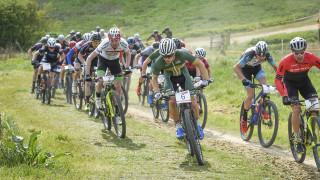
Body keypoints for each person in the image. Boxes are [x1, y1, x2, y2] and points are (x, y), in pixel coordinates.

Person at [152, 38, 208, 139]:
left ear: (174, 52)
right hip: (169, 78)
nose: (167, 59)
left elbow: (200, 64)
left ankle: (197, 125)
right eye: (164, 56)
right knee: (172, 101)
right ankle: (178, 127)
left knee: (194, 102)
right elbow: (154, 78)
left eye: (169, 56)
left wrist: (204, 80)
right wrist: (156, 92)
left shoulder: (182, 53)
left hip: (184, 76)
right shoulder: (159, 61)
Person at [275, 37, 320, 153]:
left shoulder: (311, 58)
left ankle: (311, 130)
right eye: (296, 53)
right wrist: (284, 96)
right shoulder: (285, 61)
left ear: (305, 51)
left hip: (305, 83)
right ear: (292, 52)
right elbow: (277, 80)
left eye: (302, 53)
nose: (299, 56)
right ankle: (297, 138)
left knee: (315, 108)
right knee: (296, 108)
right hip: (290, 85)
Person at [233, 41, 277, 133]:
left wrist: (281, 79)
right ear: (256, 53)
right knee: (250, 95)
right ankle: (244, 118)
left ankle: (263, 107)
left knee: (264, 86)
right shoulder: (249, 55)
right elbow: (236, 68)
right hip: (245, 71)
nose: (262, 58)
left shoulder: (268, 55)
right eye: (259, 55)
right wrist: (243, 79)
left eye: (263, 56)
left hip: (257, 69)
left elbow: (276, 68)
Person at [85, 27, 130, 109]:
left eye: (116, 40)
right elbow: (89, 58)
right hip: (103, 61)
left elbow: (128, 54)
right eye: (112, 40)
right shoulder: (104, 43)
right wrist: (87, 74)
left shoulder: (123, 43)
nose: (114, 43)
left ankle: (117, 109)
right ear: (109, 39)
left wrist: (127, 67)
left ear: (119, 38)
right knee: (100, 81)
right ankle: (98, 95)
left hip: (115, 62)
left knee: (119, 87)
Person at [76, 33, 101, 110]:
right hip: (88, 62)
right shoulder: (86, 45)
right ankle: (87, 102)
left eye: (97, 42)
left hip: (98, 62)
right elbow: (79, 55)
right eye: (94, 42)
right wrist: (84, 63)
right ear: (91, 41)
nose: (96, 44)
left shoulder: (102, 45)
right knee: (87, 82)